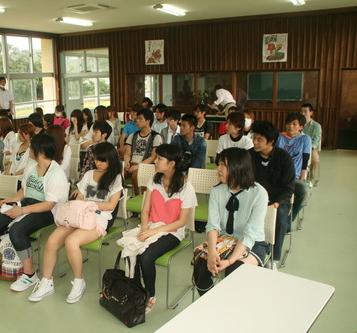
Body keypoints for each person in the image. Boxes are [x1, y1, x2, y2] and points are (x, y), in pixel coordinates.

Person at [29, 142, 123, 303]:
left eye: (103, 160)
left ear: (111, 160)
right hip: (79, 215)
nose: (98, 163)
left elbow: (111, 205)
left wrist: (89, 204)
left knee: (71, 242)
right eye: (97, 160)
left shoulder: (115, 178)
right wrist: (81, 201)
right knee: (51, 241)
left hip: (98, 218)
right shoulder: (89, 174)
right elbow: (79, 195)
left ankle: (79, 281)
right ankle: (47, 281)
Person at [0, 134, 69, 292]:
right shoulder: (32, 166)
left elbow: (48, 204)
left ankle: (30, 275)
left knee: (17, 230)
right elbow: (24, 190)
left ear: (39, 151)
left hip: (47, 210)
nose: (29, 150)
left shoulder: (56, 173)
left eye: (32, 147)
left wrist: (22, 210)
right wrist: (11, 200)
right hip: (27, 203)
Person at [120, 144, 196, 313]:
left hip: (172, 232)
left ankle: (150, 294)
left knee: (146, 256)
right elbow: (145, 210)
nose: (155, 161)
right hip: (151, 226)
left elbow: (181, 222)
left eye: (160, 159)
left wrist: (154, 231)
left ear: (172, 163)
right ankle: (137, 290)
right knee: (132, 248)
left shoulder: (186, 187)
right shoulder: (154, 180)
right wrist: (145, 227)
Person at [193, 147, 269, 296]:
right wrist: (212, 252)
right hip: (225, 239)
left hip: (252, 243)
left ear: (238, 168)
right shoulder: (217, 190)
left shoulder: (259, 193)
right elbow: (213, 225)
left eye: (223, 165)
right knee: (201, 267)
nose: (218, 169)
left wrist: (230, 260)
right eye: (219, 164)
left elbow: (250, 234)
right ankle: (211, 305)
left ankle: (233, 310)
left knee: (234, 272)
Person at [249, 121, 295, 265]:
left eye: (259, 140)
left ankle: (274, 257)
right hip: (254, 198)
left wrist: (275, 204)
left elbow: (289, 188)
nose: (254, 142)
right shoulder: (249, 155)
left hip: (276, 201)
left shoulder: (284, 158)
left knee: (280, 216)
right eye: (254, 138)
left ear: (271, 142)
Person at [275, 113, 312, 220]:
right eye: (288, 123)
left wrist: (303, 176)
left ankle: (289, 220)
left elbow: (305, 159)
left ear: (301, 126)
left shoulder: (305, 139)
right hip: (279, 176)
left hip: (295, 177)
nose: (290, 126)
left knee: (304, 192)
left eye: (294, 124)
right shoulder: (279, 137)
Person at [124, 108, 162, 196]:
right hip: (132, 164)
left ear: (148, 121)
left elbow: (153, 156)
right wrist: (126, 162)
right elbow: (127, 153)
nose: (137, 121)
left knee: (136, 176)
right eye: (136, 118)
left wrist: (138, 165)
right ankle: (119, 198)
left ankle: (139, 198)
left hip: (146, 165)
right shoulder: (132, 135)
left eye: (140, 118)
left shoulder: (156, 137)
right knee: (116, 173)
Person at [300, 103, 322, 186]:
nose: (303, 113)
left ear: (311, 113)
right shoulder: (298, 124)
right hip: (298, 146)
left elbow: (316, 141)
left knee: (314, 159)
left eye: (305, 111)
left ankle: (310, 178)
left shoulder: (316, 126)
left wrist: (308, 149)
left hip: (311, 148)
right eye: (301, 111)